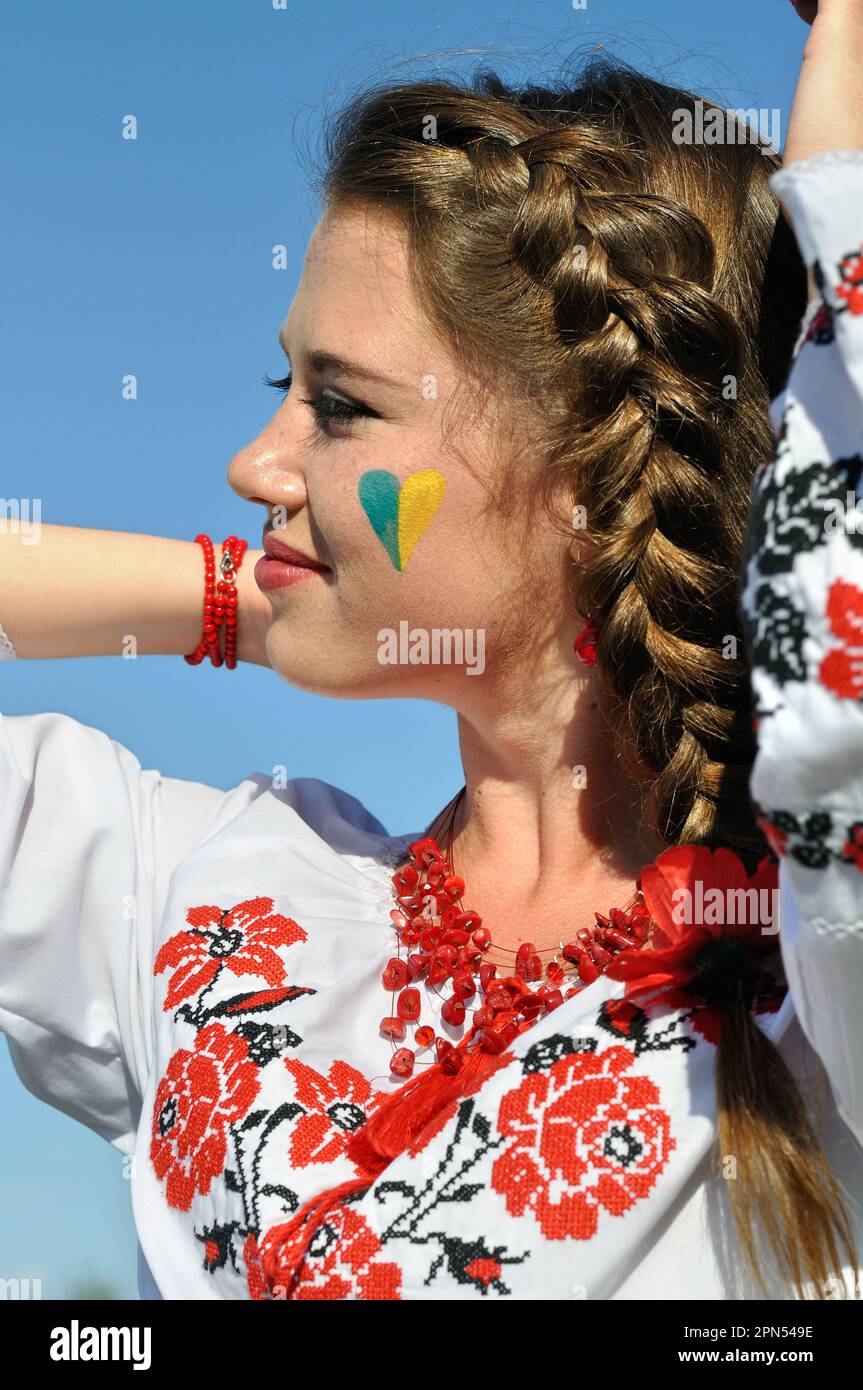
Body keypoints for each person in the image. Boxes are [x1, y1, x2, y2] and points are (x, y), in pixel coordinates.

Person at [1, 0, 862, 1302]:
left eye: (340, 405)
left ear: (585, 467)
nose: (254, 464)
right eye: (277, 390)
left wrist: (843, 165)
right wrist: (246, 596)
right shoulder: (210, 891)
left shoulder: (809, 966)